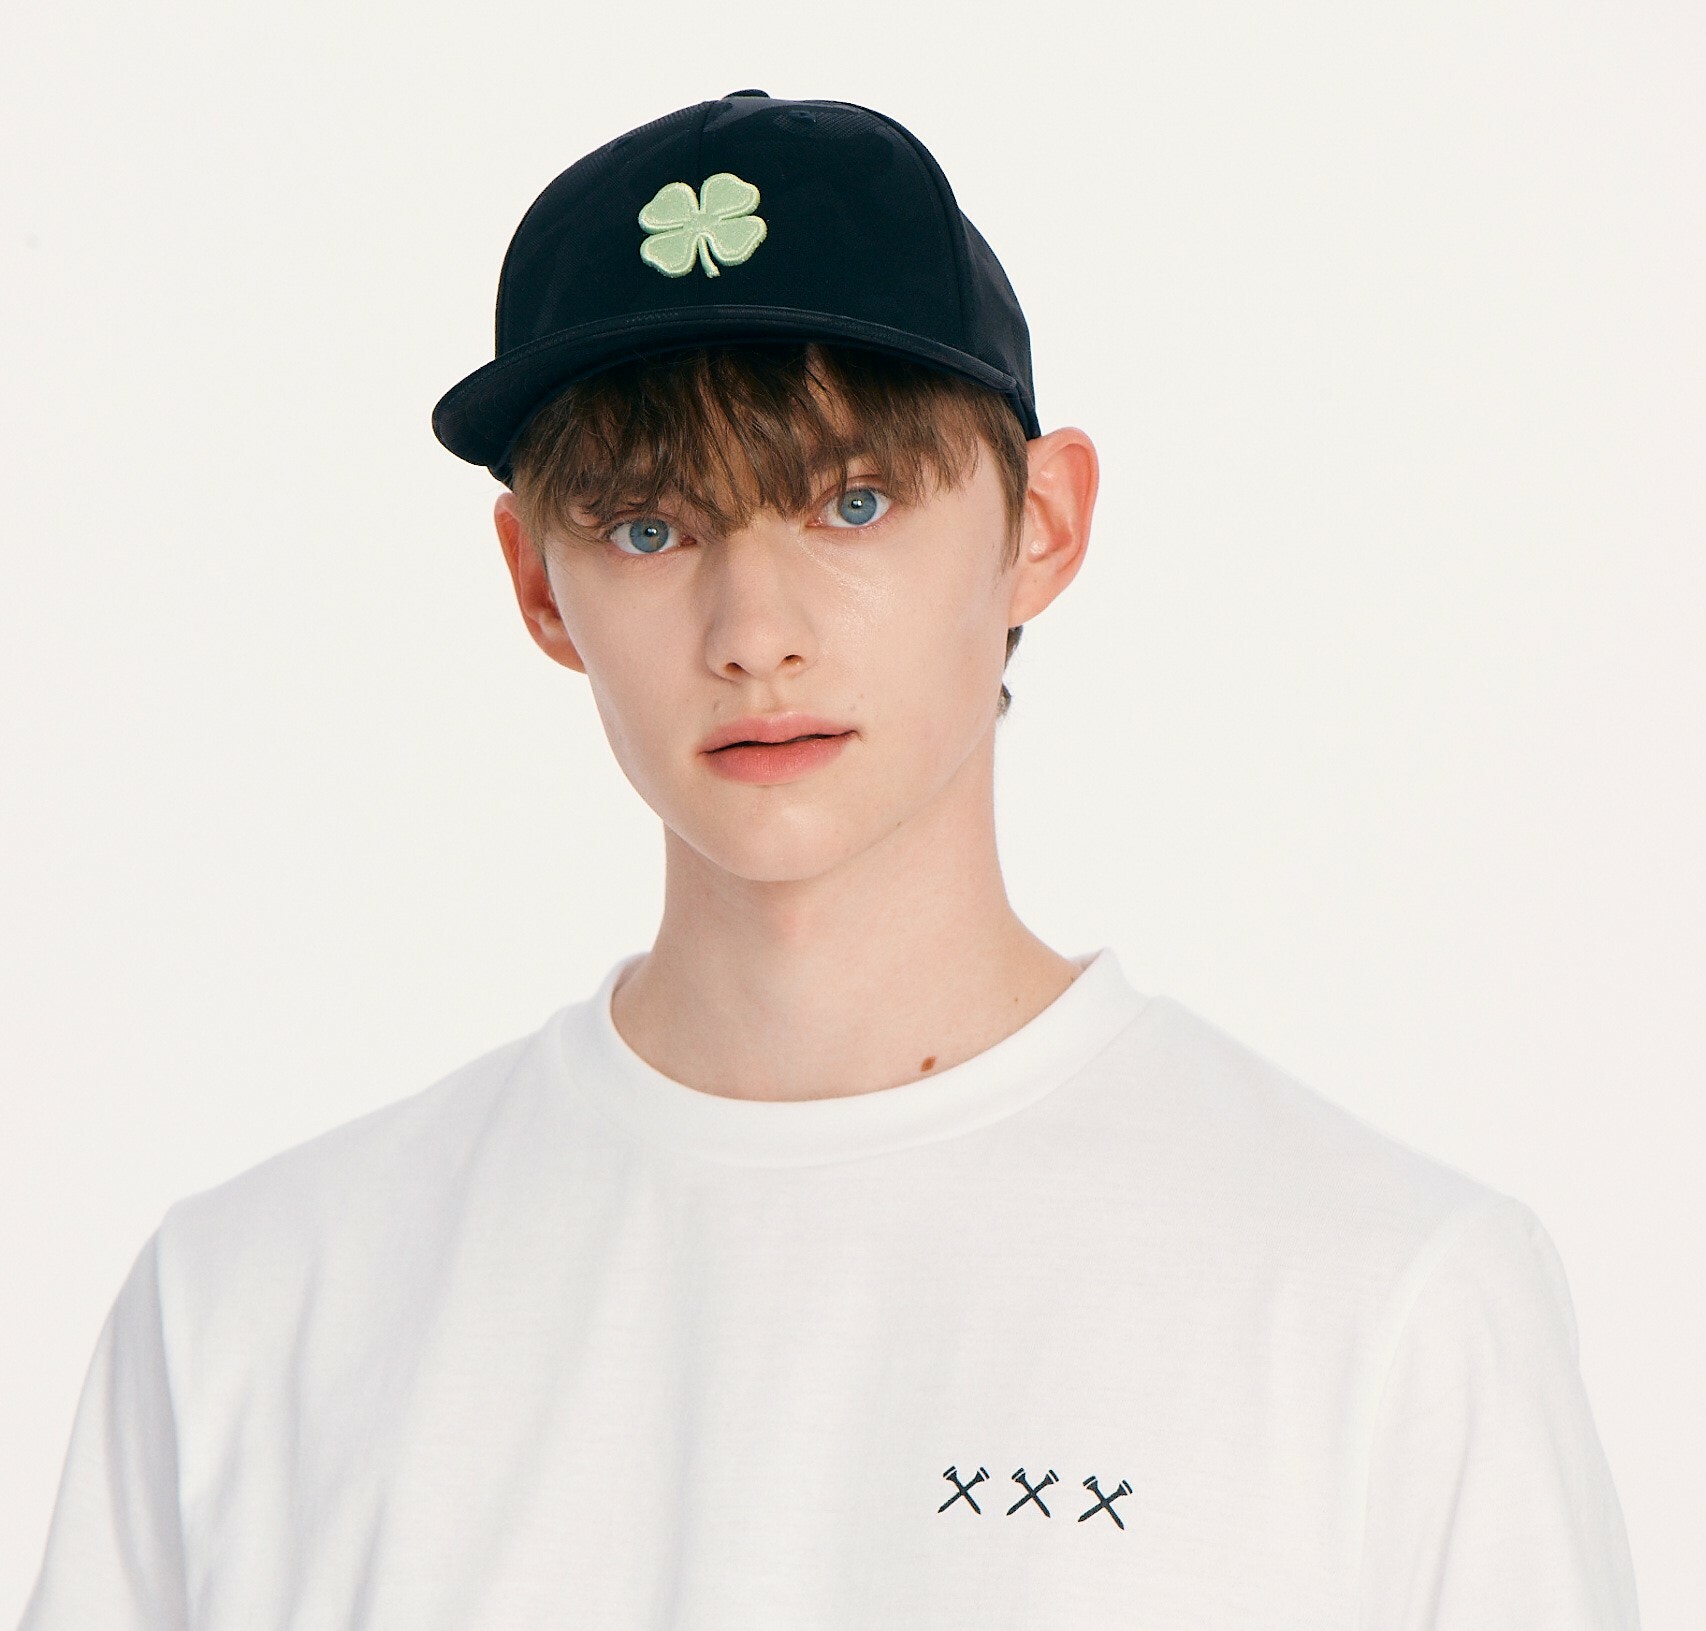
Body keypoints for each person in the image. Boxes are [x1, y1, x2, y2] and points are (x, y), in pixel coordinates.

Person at [18, 89, 1641, 1629]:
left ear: (1041, 526)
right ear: (535, 584)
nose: (754, 633)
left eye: (851, 504)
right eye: (649, 529)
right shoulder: (253, 1310)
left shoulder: (1379, 1296)